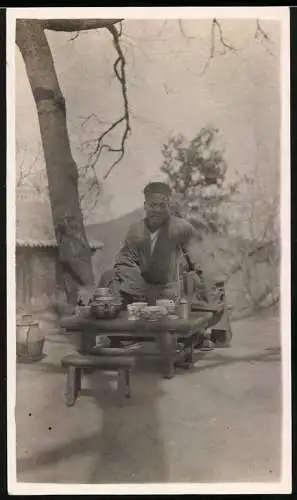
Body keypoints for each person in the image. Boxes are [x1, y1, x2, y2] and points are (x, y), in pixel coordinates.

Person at [109, 181, 209, 307]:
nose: (157, 210)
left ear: (169, 206)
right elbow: (125, 262)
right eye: (153, 205)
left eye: (162, 205)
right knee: (110, 278)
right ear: (145, 206)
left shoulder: (182, 228)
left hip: (173, 294)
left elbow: (201, 262)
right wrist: (141, 289)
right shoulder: (136, 230)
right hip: (140, 293)